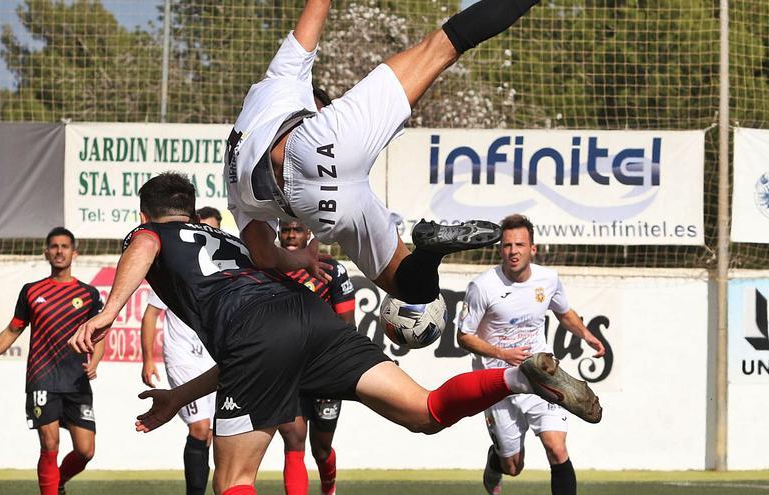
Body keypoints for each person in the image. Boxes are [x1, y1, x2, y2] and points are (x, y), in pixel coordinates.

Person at [67, 173, 601, 495]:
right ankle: (516, 376)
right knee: (426, 412)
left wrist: (109, 311)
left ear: (145, 214)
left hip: (256, 333)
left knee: (231, 482)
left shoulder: (149, 232)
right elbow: (257, 328)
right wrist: (178, 398)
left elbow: (144, 247)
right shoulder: (223, 239)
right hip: (307, 315)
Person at [224, 0, 544, 304]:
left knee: (413, 289)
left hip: (323, 208)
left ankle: (430, 252)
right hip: (319, 143)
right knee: (443, 45)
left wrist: (300, 258)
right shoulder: (280, 78)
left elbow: (263, 254)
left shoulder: (234, 185)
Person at [456, 214, 606, 495]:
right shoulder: (483, 286)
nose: (513, 251)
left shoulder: (548, 280)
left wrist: (586, 335)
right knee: (513, 466)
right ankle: (495, 460)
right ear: (500, 248)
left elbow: (563, 312)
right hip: (498, 381)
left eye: (520, 245)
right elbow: (463, 337)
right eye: (507, 245)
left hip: (541, 376)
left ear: (532, 249)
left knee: (557, 448)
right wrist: (502, 352)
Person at [0, 227, 104, 495]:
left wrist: (96, 361)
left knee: (85, 450)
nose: (59, 251)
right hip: (42, 378)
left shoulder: (89, 294)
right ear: (46, 252)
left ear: (74, 252)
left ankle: (57, 482)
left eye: (65, 246)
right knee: (49, 444)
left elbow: (100, 333)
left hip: (76, 380)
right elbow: (12, 330)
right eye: (54, 246)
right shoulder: (32, 291)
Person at [139, 208, 222, 495]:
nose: (210, 234)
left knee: (212, 433)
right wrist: (148, 359)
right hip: (182, 358)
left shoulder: (225, 266)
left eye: (216, 229)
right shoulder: (176, 265)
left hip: (215, 361)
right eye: (205, 227)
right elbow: (151, 315)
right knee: (199, 428)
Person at [276, 219, 355, 495]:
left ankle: (328, 486)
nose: (290, 235)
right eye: (285, 229)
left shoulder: (332, 269)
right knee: (293, 441)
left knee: (320, 451)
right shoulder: (268, 270)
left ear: (308, 232)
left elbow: (348, 325)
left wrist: (339, 366)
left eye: (297, 229)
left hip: (325, 370)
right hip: (286, 370)